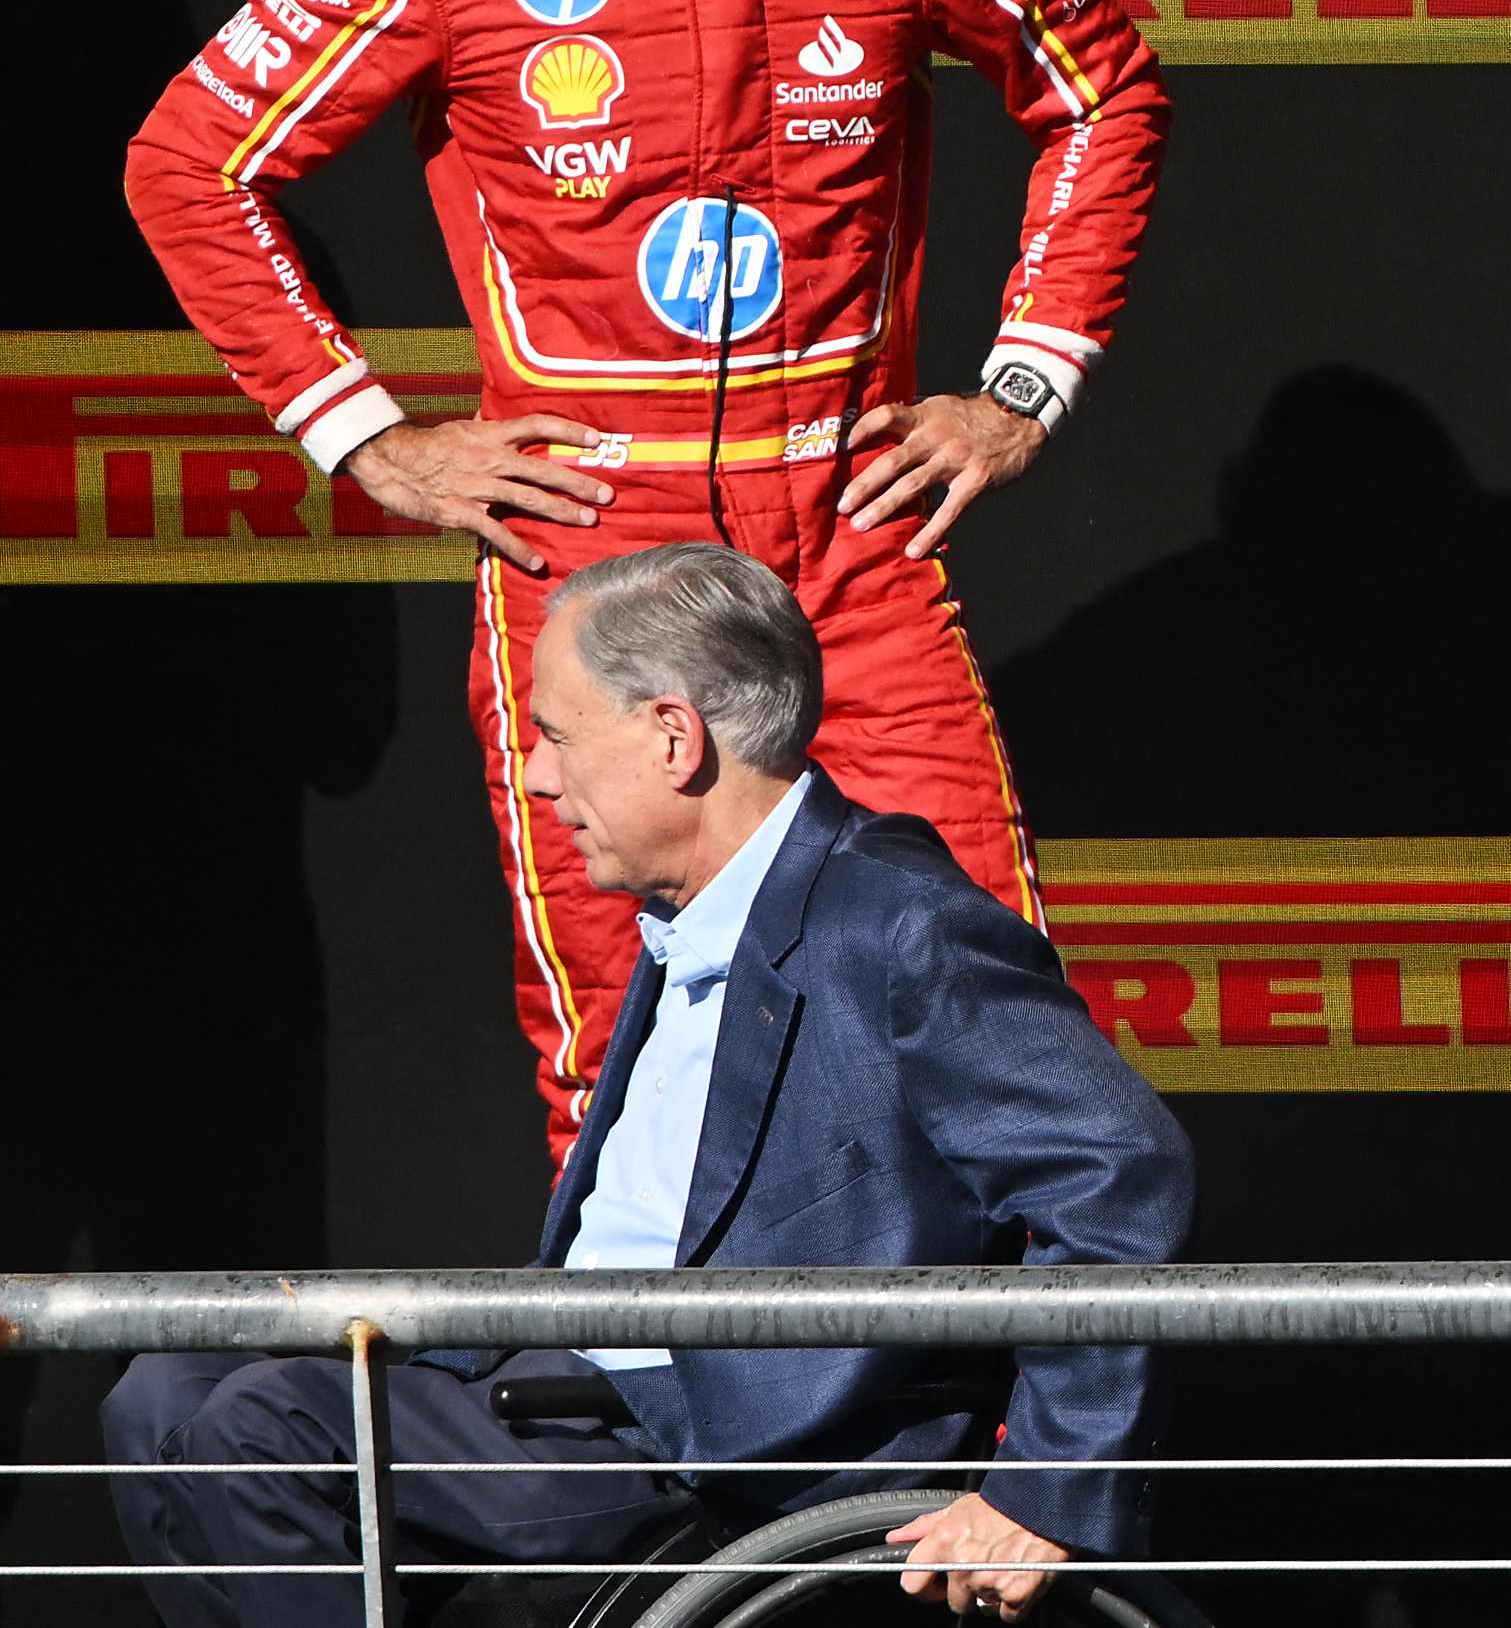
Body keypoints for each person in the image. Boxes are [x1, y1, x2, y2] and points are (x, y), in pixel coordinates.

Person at [124, 0, 1172, 1149]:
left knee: (988, 1022)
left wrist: (1024, 382)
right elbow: (192, 157)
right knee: (620, 1046)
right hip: (593, 549)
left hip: (850, 529)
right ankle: (660, 1401)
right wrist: (361, 432)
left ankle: (1023, 1414)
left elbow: (1103, 87)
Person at [109, 543, 1192, 1625]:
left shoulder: (896, 919)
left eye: (558, 734)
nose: (536, 774)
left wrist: (1045, 1491)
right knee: (160, 1392)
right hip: (566, 1382)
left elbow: (1117, 1173)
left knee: (264, 1432)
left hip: (716, 1443)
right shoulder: (697, 917)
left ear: (674, 736)